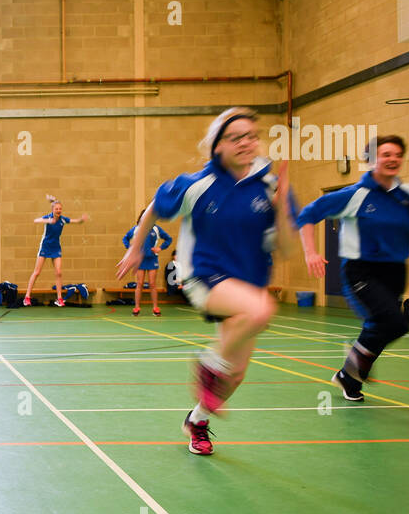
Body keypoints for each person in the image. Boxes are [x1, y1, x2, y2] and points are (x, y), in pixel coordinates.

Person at [117, 108, 296, 456]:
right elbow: (154, 208)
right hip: (204, 276)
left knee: (236, 375)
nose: (246, 142)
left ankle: (197, 421)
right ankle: (207, 368)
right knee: (260, 311)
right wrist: (137, 248)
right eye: (236, 137)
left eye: (251, 136)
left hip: (249, 284)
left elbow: (287, 248)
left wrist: (284, 209)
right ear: (217, 146)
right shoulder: (196, 185)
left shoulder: (271, 186)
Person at [297, 135, 409, 401]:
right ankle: (355, 367)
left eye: (397, 154)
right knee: (395, 323)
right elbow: (307, 215)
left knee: (377, 325)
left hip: (396, 271)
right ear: (372, 160)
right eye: (385, 154)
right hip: (362, 270)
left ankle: (349, 379)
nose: (392, 159)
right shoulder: (355, 194)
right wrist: (311, 252)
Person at [23, 196, 89, 307]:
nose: (58, 210)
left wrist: (81, 219)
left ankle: (59, 299)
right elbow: (36, 220)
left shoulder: (63, 219)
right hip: (45, 247)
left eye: (60, 209)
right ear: (52, 210)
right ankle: (27, 297)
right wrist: (48, 220)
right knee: (37, 272)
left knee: (58, 272)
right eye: (56, 209)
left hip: (56, 248)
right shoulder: (48, 218)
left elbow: (75, 221)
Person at [121, 211, 172, 316]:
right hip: (140, 260)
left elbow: (168, 239)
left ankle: (155, 307)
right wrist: (129, 248)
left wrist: (160, 248)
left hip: (152, 259)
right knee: (139, 284)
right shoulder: (136, 229)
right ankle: (137, 307)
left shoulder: (156, 229)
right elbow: (125, 238)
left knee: (152, 284)